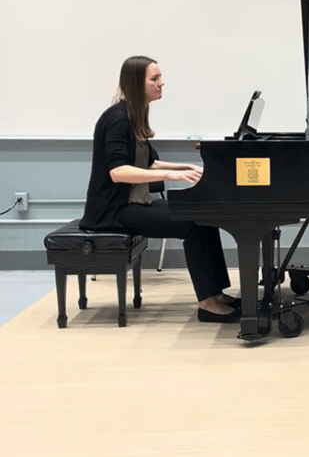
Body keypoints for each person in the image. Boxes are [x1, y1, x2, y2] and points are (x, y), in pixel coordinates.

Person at [80, 55, 241, 323]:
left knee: (203, 215)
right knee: (191, 223)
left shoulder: (133, 115)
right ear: (135, 83)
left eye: (160, 77)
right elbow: (117, 172)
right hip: (114, 211)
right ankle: (207, 303)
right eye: (154, 78)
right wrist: (170, 175)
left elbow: (150, 162)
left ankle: (216, 293)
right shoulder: (118, 119)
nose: (161, 83)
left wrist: (184, 169)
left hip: (134, 203)